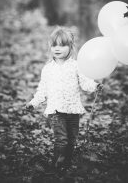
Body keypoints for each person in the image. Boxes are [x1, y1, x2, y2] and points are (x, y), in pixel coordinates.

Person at [26, 26, 101, 171]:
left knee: (72, 140)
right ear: (50, 47)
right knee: (62, 140)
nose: (57, 48)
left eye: (62, 45)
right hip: (56, 110)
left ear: (70, 47)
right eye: (54, 45)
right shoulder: (48, 69)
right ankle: (55, 164)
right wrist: (33, 103)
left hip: (73, 110)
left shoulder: (76, 66)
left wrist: (95, 86)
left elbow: (85, 83)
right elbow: (42, 90)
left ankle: (66, 164)